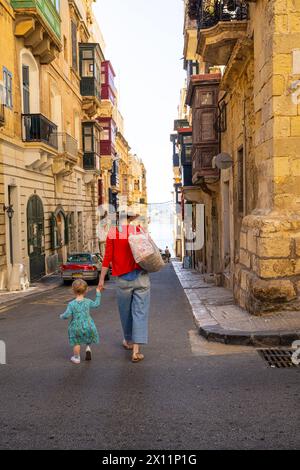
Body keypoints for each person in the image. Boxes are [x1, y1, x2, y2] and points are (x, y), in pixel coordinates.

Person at [98, 211, 150, 363]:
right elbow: (149, 251)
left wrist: (101, 280)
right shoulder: (138, 230)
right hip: (141, 277)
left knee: (125, 312)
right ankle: (136, 351)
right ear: (131, 218)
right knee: (140, 312)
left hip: (122, 280)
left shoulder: (112, 233)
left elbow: (107, 258)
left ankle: (128, 341)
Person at [60, 279, 101, 365]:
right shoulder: (88, 301)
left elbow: (67, 315)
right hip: (88, 324)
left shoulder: (71, 304)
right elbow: (96, 304)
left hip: (76, 327)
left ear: (72, 290)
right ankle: (88, 348)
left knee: (76, 342)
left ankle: (76, 357)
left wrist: (61, 316)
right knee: (87, 336)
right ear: (86, 290)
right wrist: (98, 292)